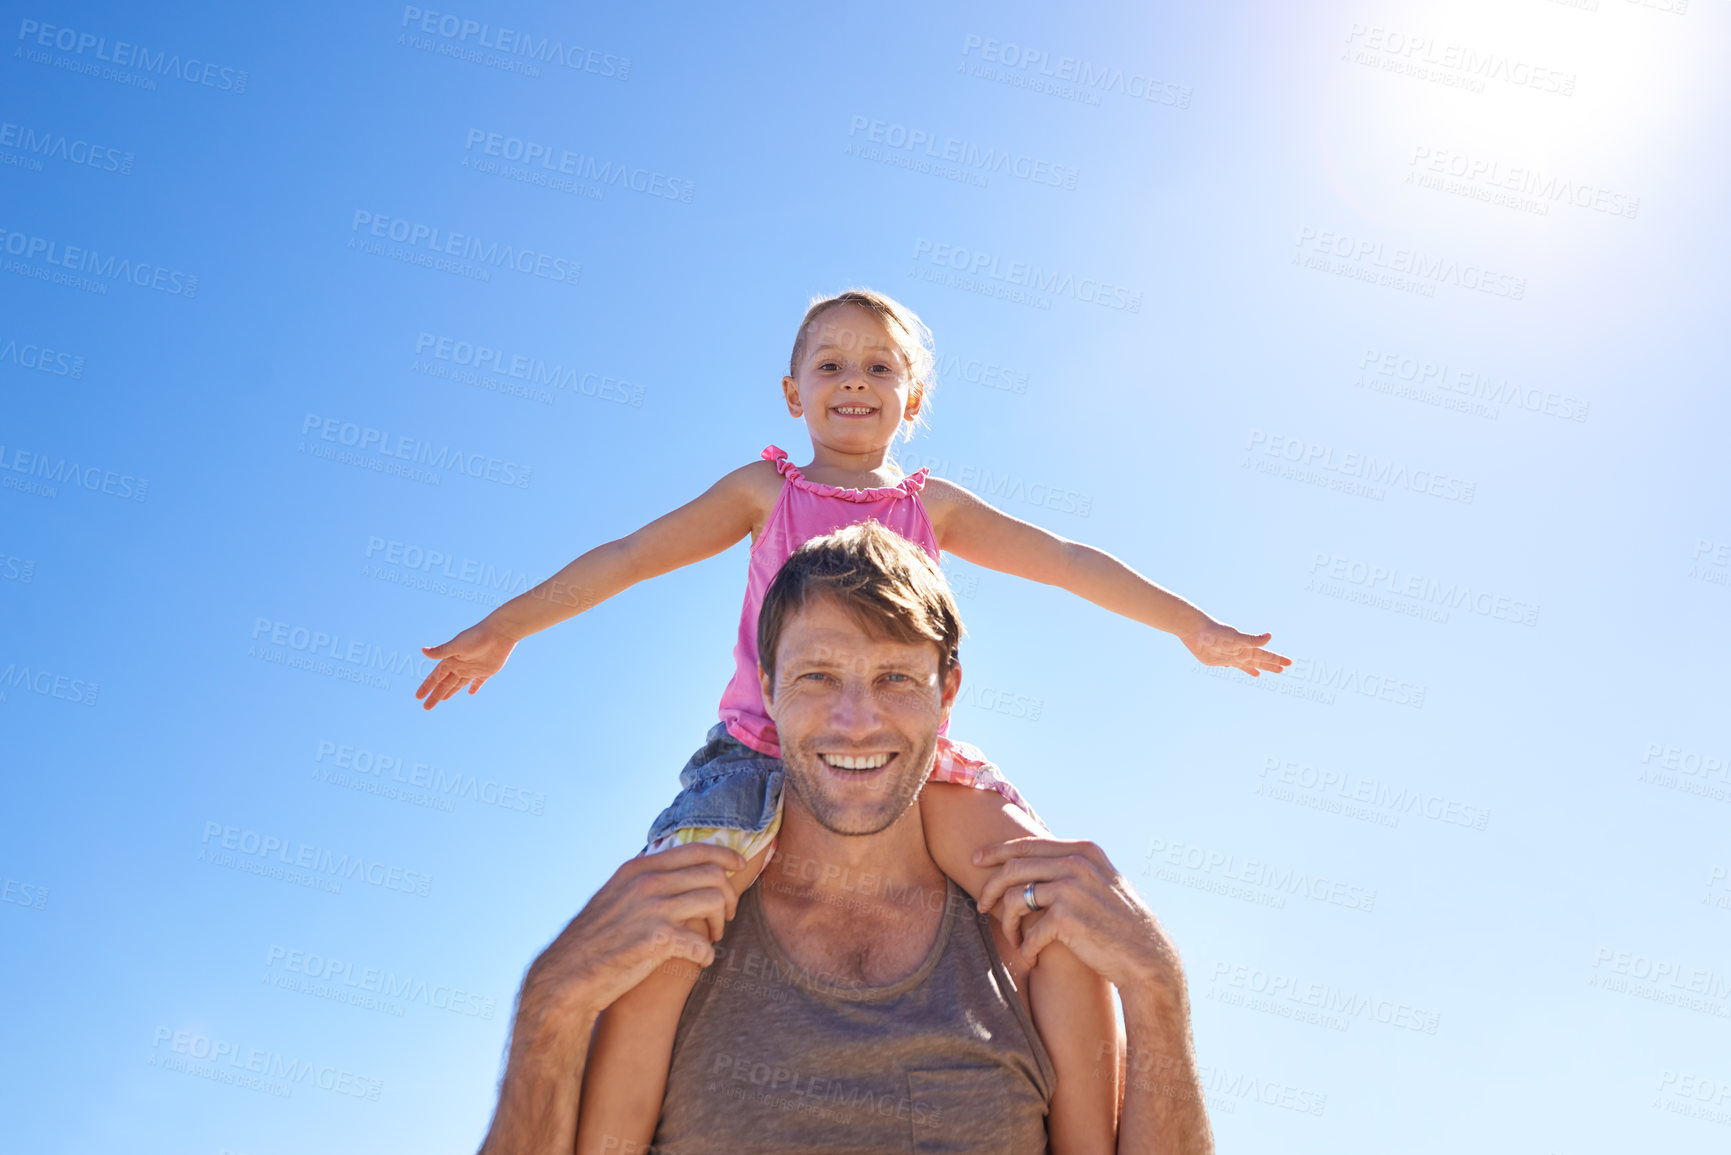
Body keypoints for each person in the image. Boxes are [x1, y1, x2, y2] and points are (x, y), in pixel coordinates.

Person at [418, 288, 1286, 1147]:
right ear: (793, 393)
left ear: (912, 397)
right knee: (666, 930)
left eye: (879, 364)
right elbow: (634, 554)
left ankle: (1087, 1138)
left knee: (1048, 894)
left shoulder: (930, 503)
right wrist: (505, 629)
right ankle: (609, 1135)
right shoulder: (766, 488)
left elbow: (1063, 560)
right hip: (756, 757)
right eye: (828, 364)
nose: (853, 380)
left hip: (913, 760)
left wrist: (1193, 629)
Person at [475, 522, 1214, 1154]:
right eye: (818, 677)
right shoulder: (673, 933)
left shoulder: (1032, 943)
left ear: (946, 691)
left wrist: (1157, 987)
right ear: (765, 689)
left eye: (894, 676)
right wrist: (548, 1006)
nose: (855, 721)